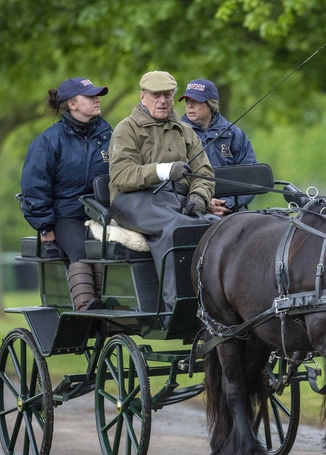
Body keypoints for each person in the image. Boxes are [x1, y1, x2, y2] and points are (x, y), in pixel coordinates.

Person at [108, 70, 215, 312]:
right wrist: (164, 171)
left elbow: (204, 173)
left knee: (212, 226)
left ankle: (214, 303)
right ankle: (175, 307)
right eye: (156, 95)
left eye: (167, 95)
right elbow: (122, 176)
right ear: (142, 97)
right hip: (133, 200)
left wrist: (198, 197)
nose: (163, 101)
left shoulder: (185, 131)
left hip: (175, 198)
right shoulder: (127, 129)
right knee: (175, 229)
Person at [20, 77, 112, 311]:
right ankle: (86, 308)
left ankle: (116, 307)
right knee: (81, 249)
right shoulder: (48, 141)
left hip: (104, 214)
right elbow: (34, 186)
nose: (97, 99)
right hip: (66, 216)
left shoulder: (110, 135)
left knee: (114, 248)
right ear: (72, 104)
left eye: (97, 95)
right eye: (90, 96)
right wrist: (44, 226)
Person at [179, 79, 258, 215]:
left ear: (211, 104)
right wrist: (202, 201)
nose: (190, 106)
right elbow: (171, 182)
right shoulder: (176, 134)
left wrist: (228, 204)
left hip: (231, 213)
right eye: (187, 101)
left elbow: (250, 177)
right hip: (189, 212)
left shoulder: (234, 135)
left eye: (196, 101)